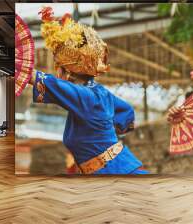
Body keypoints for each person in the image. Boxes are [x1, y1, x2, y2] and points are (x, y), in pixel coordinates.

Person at [26, 7, 147, 174]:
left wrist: (18, 66)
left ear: (67, 72)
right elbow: (127, 113)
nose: (57, 73)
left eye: (58, 68)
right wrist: (105, 131)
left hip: (112, 172)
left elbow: (48, 82)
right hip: (118, 167)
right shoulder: (99, 93)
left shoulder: (85, 97)